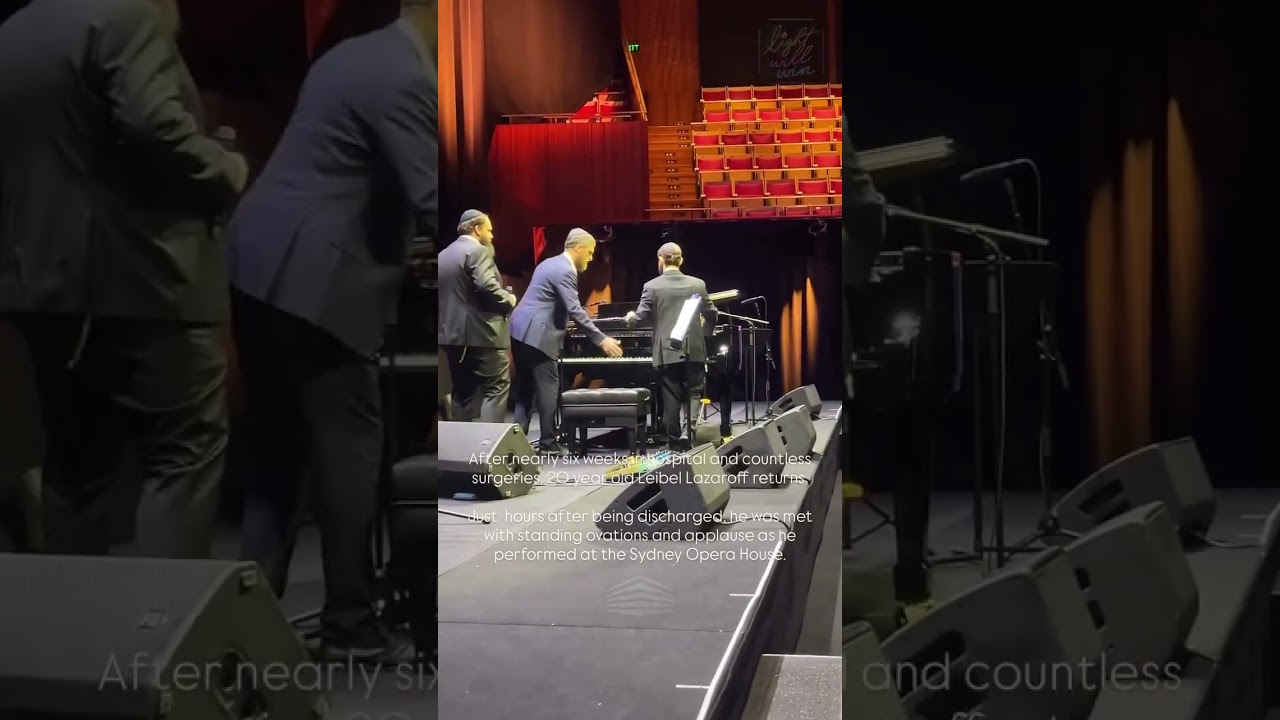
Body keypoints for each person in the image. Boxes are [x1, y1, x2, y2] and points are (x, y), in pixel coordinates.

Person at [226, 0, 438, 664]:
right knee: (351, 447)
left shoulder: (350, 54)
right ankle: (349, 622)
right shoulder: (407, 75)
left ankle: (246, 617)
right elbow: (433, 197)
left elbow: (334, 175)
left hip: (256, 263)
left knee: (277, 454)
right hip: (315, 276)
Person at [0, 0, 247, 558]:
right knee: (183, 456)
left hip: (42, 287)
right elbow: (152, 123)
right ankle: (168, 613)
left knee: (78, 470)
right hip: (144, 279)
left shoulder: (17, 28)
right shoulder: (127, 15)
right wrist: (225, 167)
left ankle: (74, 612)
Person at [509, 229, 623, 452]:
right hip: (538, 333)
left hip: (519, 329)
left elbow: (548, 301)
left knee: (525, 390)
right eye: (590, 252)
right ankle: (548, 444)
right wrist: (602, 340)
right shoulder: (565, 270)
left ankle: (514, 443)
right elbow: (575, 310)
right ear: (578, 248)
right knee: (548, 388)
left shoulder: (548, 264)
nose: (591, 257)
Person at [626, 243, 718, 449]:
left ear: (660, 260)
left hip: (666, 351)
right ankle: (689, 434)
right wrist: (706, 334)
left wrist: (630, 317)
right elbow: (712, 314)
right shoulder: (697, 284)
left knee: (671, 395)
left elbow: (640, 318)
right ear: (681, 260)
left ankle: (674, 441)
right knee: (694, 392)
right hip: (694, 348)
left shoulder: (651, 286)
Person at [438, 210, 515, 422]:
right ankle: (489, 442)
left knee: (462, 393)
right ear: (477, 229)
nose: (492, 235)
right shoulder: (478, 251)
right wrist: (508, 299)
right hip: (484, 335)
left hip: (452, 337)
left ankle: (460, 443)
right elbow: (486, 285)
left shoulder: (443, 255)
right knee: (495, 390)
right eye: (489, 230)